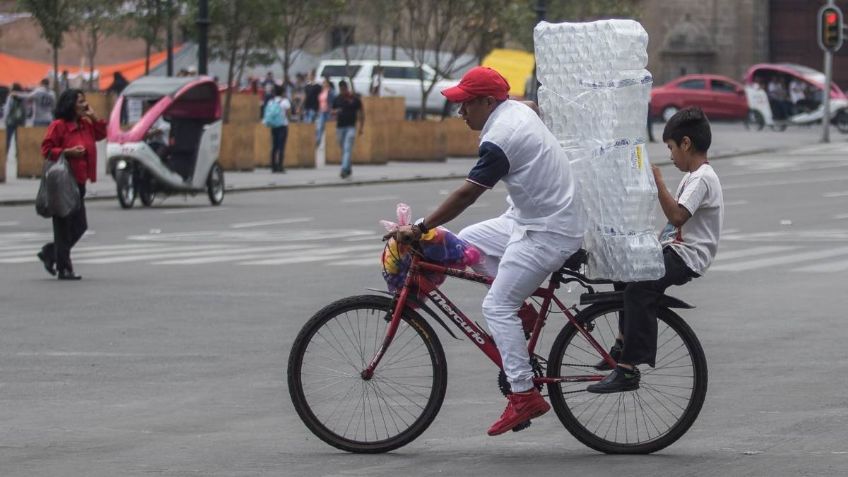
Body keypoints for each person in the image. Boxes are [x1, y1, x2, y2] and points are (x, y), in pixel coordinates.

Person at [391, 66, 585, 436]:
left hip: (549, 231)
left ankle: (524, 393)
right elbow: (527, 103)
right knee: (469, 242)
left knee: (496, 306)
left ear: (486, 102)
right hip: (532, 218)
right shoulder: (514, 110)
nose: (460, 113)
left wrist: (419, 229)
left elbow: (467, 193)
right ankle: (523, 313)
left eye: (465, 104)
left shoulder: (500, 138)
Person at [587, 107, 724, 394]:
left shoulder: (702, 178)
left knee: (639, 289)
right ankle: (623, 340)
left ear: (686, 143)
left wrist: (658, 182)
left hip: (687, 258)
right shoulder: (695, 176)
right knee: (626, 267)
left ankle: (629, 367)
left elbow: (677, 217)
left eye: (672, 148)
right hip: (675, 249)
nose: (671, 155)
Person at [37, 89, 107, 280]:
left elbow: (102, 134)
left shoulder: (85, 124)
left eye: (85, 102)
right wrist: (68, 152)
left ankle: (50, 253)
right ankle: (64, 268)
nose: (84, 105)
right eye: (80, 102)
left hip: (79, 181)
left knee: (79, 225)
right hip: (62, 182)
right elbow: (46, 150)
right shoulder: (58, 125)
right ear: (70, 104)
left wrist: (93, 116)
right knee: (63, 226)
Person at [331, 80, 364, 179]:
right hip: (340, 127)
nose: (343, 91)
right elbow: (332, 111)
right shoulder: (337, 99)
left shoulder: (354, 99)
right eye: (341, 89)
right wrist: (335, 112)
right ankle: (348, 168)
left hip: (351, 127)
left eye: (344, 89)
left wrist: (361, 127)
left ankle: (344, 169)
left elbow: (361, 113)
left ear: (347, 88)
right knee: (343, 149)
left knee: (347, 148)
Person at [261, 84, 292, 173]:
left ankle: (273, 166)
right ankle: (280, 166)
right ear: (282, 92)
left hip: (274, 126)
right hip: (283, 125)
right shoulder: (285, 101)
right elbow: (289, 113)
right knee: (281, 146)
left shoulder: (271, 101)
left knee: (274, 146)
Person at [4, 83, 26, 154]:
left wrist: (5, 119)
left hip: (10, 121)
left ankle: (6, 154)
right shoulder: (22, 97)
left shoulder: (10, 97)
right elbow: (25, 110)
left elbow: (7, 109)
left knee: (8, 140)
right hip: (20, 122)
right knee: (18, 140)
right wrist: (24, 121)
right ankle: (18, 155)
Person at [315, 77, 335, 147]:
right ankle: (318, 141)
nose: (323, 84)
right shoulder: (322, 91)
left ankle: (330, 143)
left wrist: (331, 109)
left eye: (324, 83)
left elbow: (333, 101)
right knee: (320, 127)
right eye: (323, 83)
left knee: (329, 127)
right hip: (322, 111)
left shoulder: (331, 91)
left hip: (328, 111)